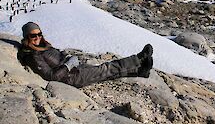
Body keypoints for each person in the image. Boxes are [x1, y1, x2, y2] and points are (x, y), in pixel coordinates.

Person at [17, 22, 153, 88]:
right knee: (106, 69)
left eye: (39, 34)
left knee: (104, 73)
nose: (38, 37)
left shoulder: (42, 46)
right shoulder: (33, 55)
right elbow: (50, 76)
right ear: (26, 36)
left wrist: (67, 57)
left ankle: (140, 71)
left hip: (74, 69)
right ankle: (138, 59)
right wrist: (68, 64)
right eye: (33, 35)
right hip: (71, 78)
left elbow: (55, 55)